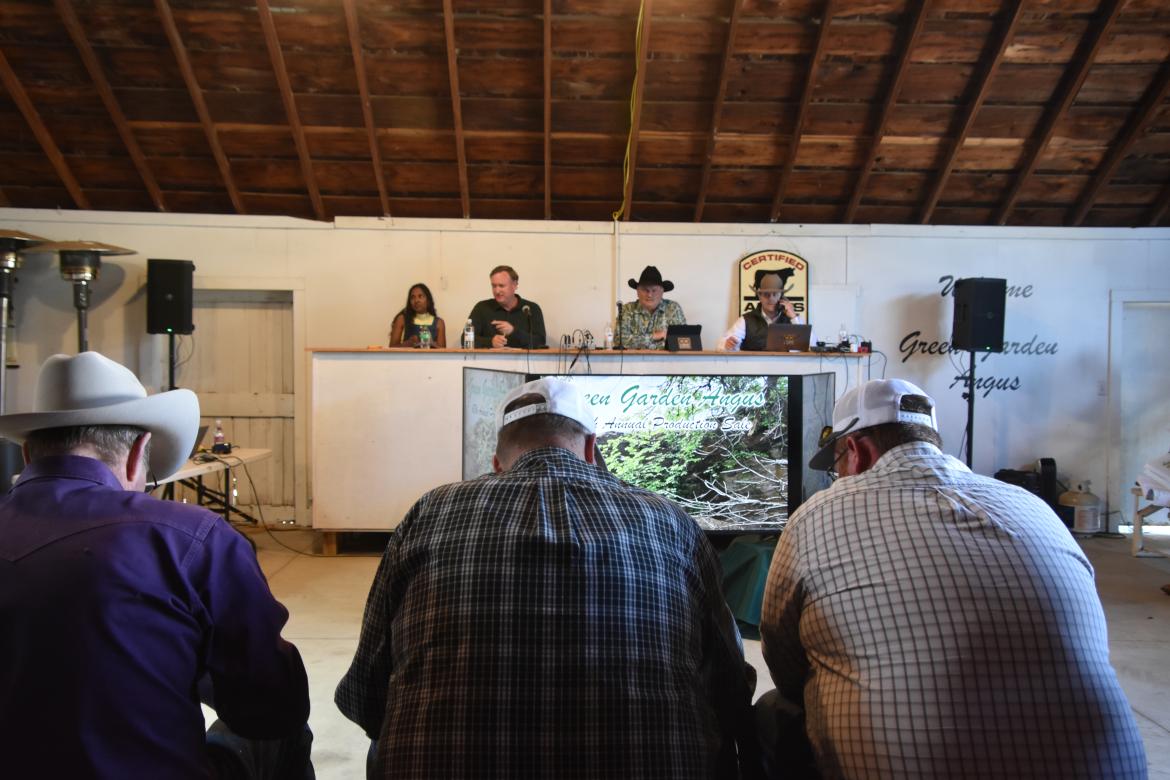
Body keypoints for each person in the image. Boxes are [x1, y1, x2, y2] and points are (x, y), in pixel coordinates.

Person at [336, 377, 761, 778]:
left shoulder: (431, 511)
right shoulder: (669, 520)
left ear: (497, 463)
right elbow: (730, 688)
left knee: (383, 741)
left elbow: (366, 695)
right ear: (591, 448)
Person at [757, 378, 1147, 779]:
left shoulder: (817, 514)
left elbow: (785, 662)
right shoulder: (1032, 506)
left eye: (836, 466)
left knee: (775, 711)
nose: (838, 476)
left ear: (856, 451)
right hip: (1112, 768)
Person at [0, 352, 313, 779]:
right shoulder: (192, 539)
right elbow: (271, 708)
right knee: (283, 731)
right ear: (138, 453)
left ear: (27, 454)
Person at [465, 264, 546, 349]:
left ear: (514, 285)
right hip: (490, 358)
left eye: (501, 286)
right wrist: (490, 342)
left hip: (523, 358)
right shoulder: (482, 308)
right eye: (494, 286)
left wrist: (513, 331)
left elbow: (540, 341)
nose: (497, 291)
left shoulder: (531, 309)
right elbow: (465, 339)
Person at [721, 271, 804, 351]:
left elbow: (808, 345)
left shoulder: (793, 319)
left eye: (775, 294)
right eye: (766, 294)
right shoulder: (746, 320)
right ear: (760, 297)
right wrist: (727, 345)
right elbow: (722, 345)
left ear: (781, 297)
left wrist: (793, 317)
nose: (771, 298)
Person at [618, 265, 686, 350]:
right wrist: (655, 336)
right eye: (645, 290)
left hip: (667, 359)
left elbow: (683, 340)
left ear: (662, 292)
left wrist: (639, 341)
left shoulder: (673, 308)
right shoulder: (627, 309)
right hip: (634, 359)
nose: (650, 295)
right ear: (637, 292)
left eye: (654, 290)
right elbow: (619, 341)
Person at [389, 282, 445, 348]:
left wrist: (431, 343)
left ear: (428, 300)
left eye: (420, 296)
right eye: (412, 297)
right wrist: (408, 343)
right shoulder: (402, 320)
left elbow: (443, 351)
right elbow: (391, 349)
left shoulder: (439, 323)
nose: (416, 300)